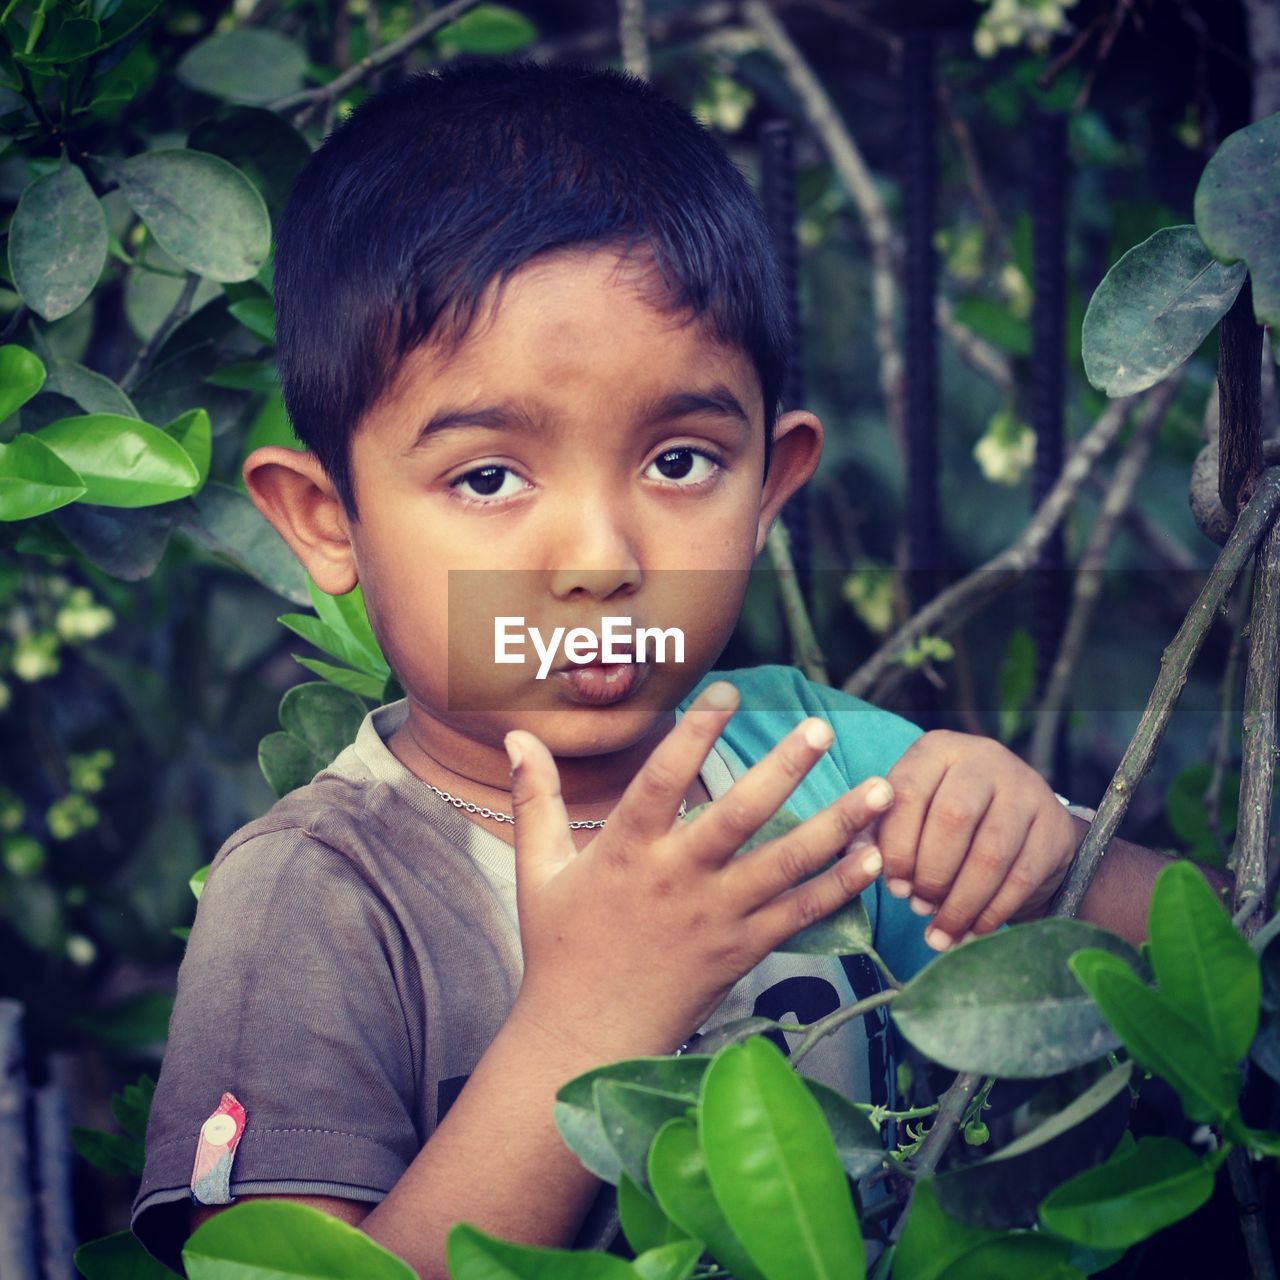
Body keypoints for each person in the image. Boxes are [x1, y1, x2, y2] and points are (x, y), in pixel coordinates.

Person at [131, 60, 1220, 1278]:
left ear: (769, 487)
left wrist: (1038, 856)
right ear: (327, 521)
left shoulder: (812, 767)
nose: (600, 557)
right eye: (487, 476)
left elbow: (1219, 963)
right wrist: (591, 1008)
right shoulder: (317, 893)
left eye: (682, 461)